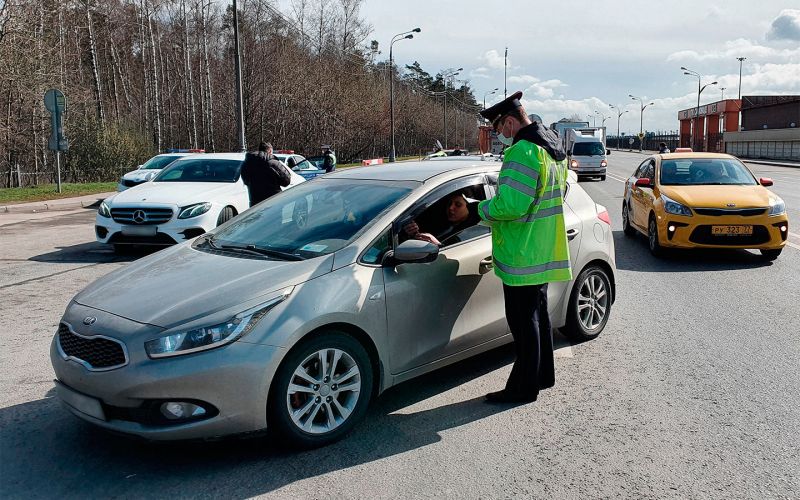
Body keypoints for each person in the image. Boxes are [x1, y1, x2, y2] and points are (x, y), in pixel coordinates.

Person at [478, 91, 572, 404]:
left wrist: (478, 210)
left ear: (509, 121)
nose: (499, 135)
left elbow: (512, 206)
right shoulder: (552, 147)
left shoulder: (522, 151)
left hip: (523, 252)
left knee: (523, 323)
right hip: (544, 248)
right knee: (538, 317)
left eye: (499, 128)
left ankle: (522, 388)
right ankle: (543, 375)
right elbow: (563, 190)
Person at [403, 190, 480, 246]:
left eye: (458, 205)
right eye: (449, 204)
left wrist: (437, 244)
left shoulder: (473, 232)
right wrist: (413, 234)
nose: (451, 208)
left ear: (470, 208)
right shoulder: (440, 224)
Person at [240, 141, 291, 207]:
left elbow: (245, 180)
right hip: (273, 202)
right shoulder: (273, 163)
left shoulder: (247, 163)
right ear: (270, 151)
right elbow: (286, 181)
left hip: (255, 202)